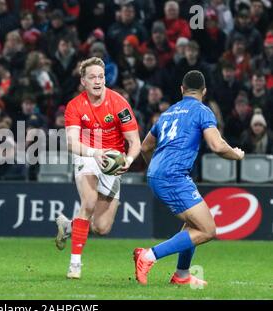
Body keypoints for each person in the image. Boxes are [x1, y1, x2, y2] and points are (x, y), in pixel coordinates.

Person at [134, 70, 245, 286]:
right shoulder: (202, 111)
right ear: (204, 91)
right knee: (207, 230)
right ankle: (148, 256)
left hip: (159, 173)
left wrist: (156, 169)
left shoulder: (167, 113)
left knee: (192, 223)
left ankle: (182, 275)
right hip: (173, 175)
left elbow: (146, 146)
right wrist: (237, 155)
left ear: (182, 90)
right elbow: (217, 145)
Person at [55, 57, 141, 279]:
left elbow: (135, 142)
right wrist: (94, 152)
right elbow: (72, 142)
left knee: (102, 227)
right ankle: (75, 264)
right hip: (88, 155)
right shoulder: (75, 106)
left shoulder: (119, 103)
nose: (97, 81)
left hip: (113, 162)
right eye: (92, 77)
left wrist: (128, 162)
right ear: (83, 81)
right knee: (89, 201)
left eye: (101, 77)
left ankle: (69, 226)